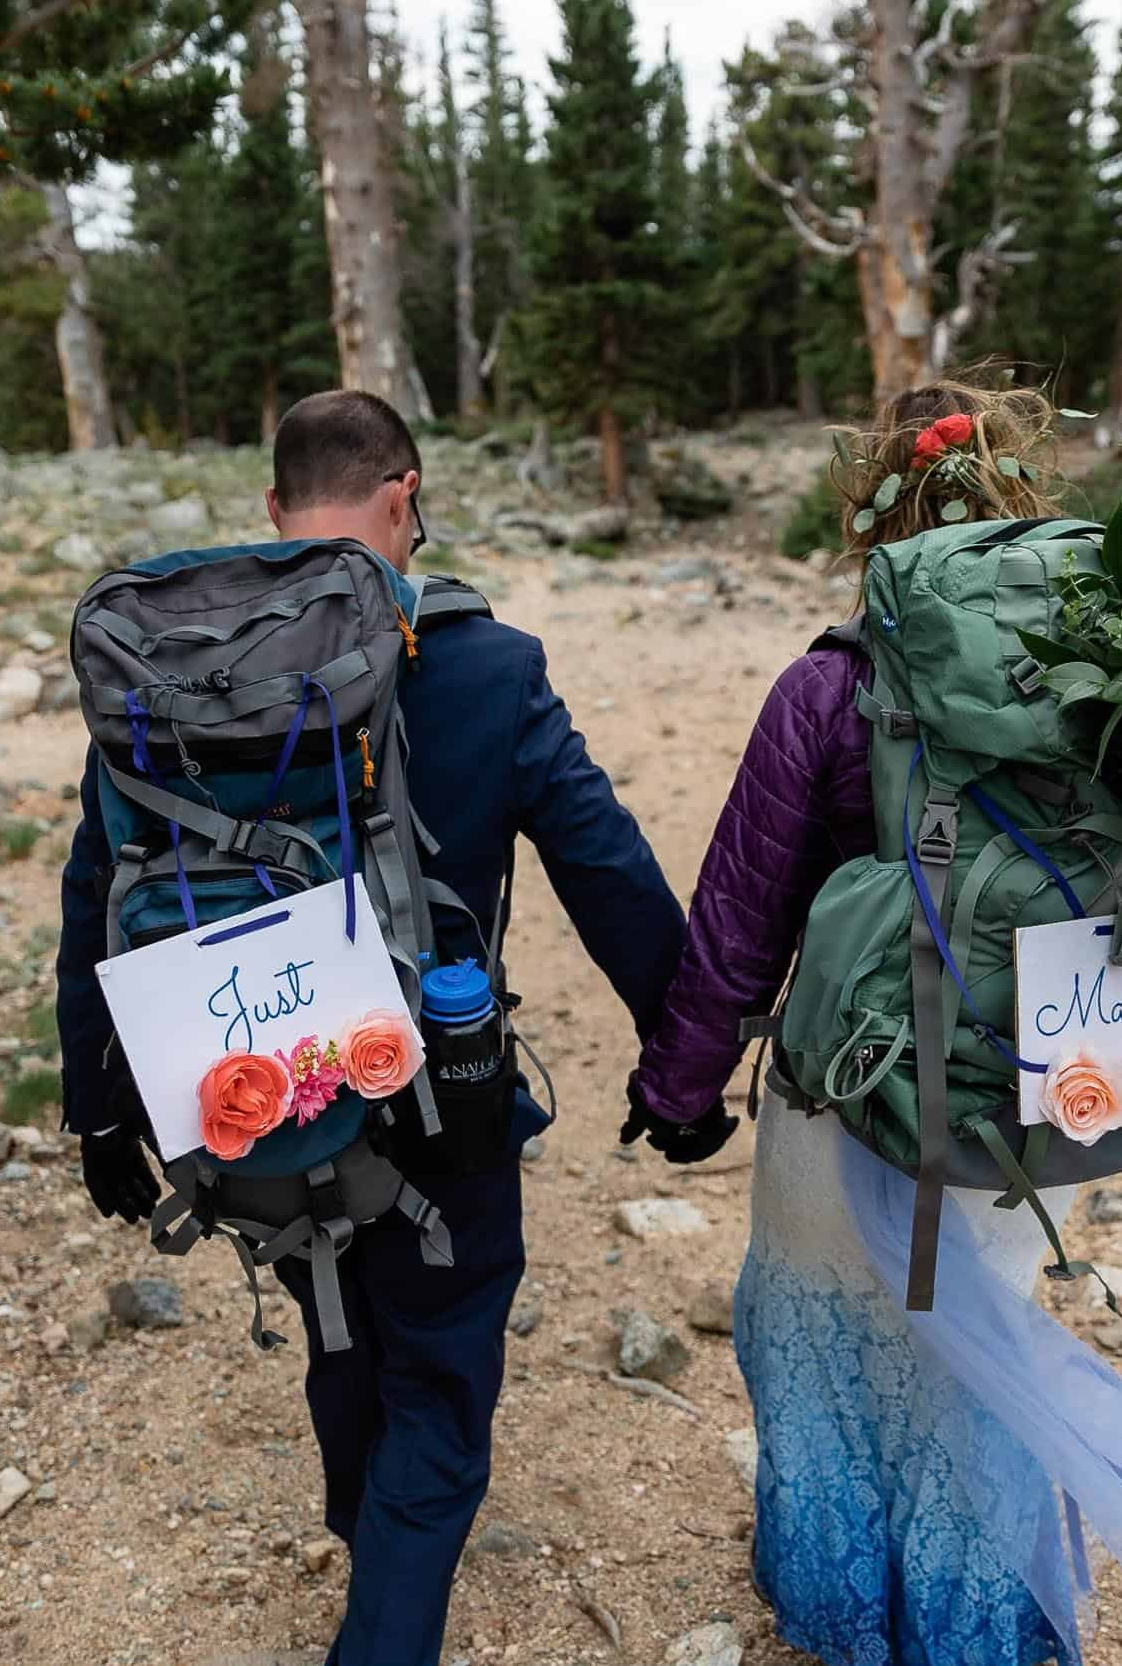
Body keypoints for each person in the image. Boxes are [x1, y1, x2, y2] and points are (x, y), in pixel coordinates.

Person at [54, 389, 725, 1666]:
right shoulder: (486, 664)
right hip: (434, 1083)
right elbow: (607, 869)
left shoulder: (165, 682)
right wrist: (678, 1062)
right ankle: (388, 1619)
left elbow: (96, 883)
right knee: (442, 1359)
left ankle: (374, 1539)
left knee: (335, 1300)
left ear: (272, 512)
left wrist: (95, 1097)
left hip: (234, 1081)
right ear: (406, 495)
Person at [628, 376, 1122, 1666]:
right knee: (975, 1352)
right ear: (1021, 496)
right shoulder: (1120, 681)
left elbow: (739, 921)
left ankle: (843, 1611)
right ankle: (980, 1622)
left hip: (851, 1093)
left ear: (870, 508)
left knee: (817, 1332)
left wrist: (677, 1091)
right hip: (1036, 1084)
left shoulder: (825, 689)